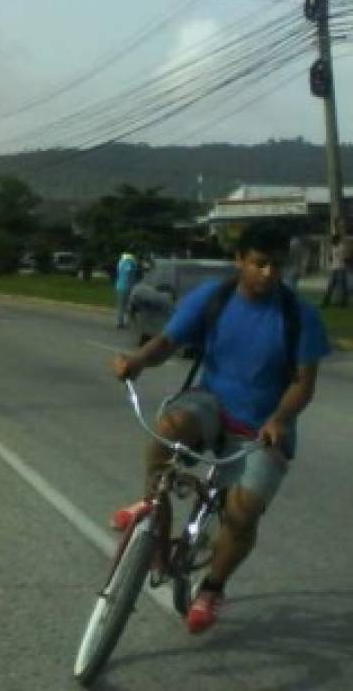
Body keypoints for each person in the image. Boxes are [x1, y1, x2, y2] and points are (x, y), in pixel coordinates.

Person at [109, 222, 331, 634]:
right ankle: (152, 508)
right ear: (240, 261)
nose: (268, 273)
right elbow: (167, 343)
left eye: (276, 266)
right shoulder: (214, 298)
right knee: (168, 426)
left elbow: (304, 381)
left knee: (242, 513)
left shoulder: (300, 317)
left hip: (265, 426)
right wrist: (137, 361)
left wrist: (279, 420)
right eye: (260, 264)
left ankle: (211, 589)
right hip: (211, 402)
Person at [321, 229, 350, 307]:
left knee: (341, 287)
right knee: (333, 286)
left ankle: (342, 302)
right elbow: (331, 258)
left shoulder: (341, 247)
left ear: (337, 239)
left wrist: (342, 259)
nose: (332, 240)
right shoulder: (334, 247)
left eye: (334, 239)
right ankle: (327, 301)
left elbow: (346, 257)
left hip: (340, 269)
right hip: (335, 268)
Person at [114, 251, 139, 329]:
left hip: (120, 287)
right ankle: (126, 322)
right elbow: (129, 272)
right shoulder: (129, 263)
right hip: (128, 287)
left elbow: (120, 273)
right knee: (129, 305)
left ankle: (121, 322)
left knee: (122, 305)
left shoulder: (121, 262)